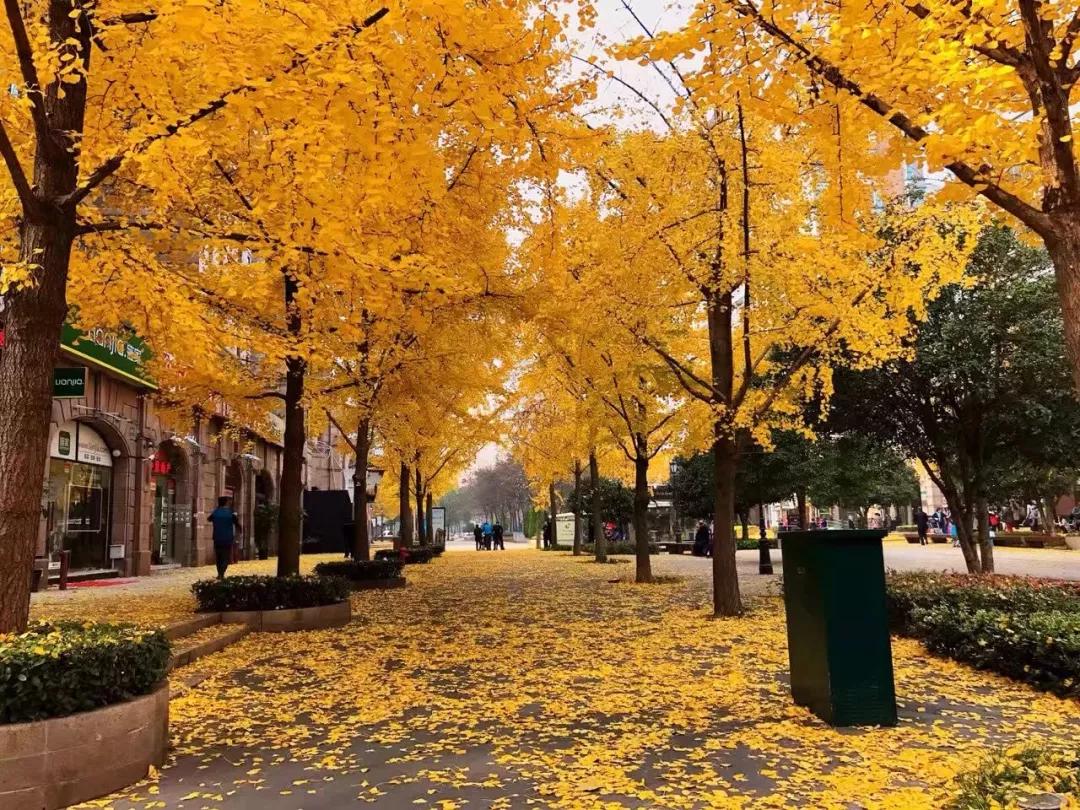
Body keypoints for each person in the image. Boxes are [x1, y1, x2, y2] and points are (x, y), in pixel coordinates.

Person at [207, 496, 242, 579]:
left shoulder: (216, 512)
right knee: (225, 556)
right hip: (227, 538)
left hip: (217, 537)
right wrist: (240, 530)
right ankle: (222, 573)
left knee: (218, 556)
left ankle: (219, 573)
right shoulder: (230, 513)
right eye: (228, 501)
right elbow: (237, 523)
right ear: (226, 502)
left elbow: (209, 519)